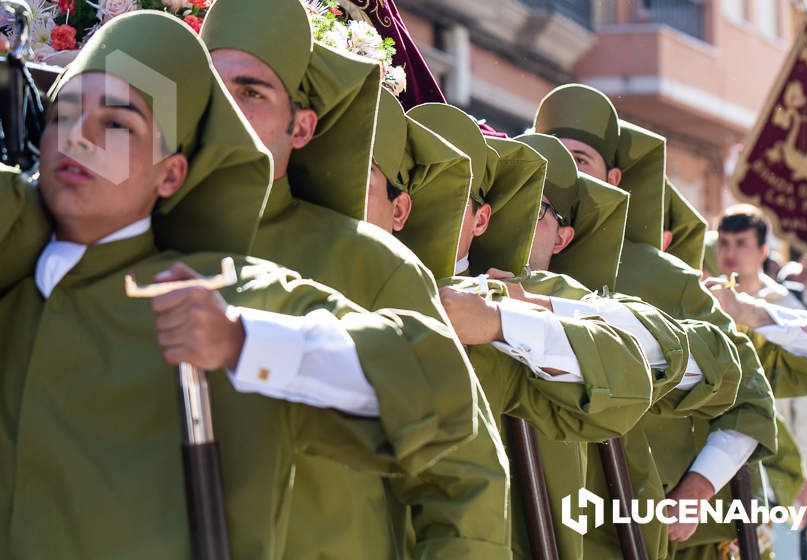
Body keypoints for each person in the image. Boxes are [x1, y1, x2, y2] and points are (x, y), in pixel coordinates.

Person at [0, 11, 479, 558]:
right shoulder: (15, 277)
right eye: (63, 115)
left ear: (172, 172)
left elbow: (440, 396)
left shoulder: (234, 294)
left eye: (117, 125)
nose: (79, 136)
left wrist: (243, 343)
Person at [199, 1, 497, 557]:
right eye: (212, 88)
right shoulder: (136, 243)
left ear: (303, 125)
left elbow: (464, 476)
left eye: (252, 92)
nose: (227, 111)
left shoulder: (371, 265)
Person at [406, 101, 691, 559]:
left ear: (484, 220)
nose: (425, 209)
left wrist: (509, 320)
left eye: (451, 193)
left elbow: (659, 352)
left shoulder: (521, 290)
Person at [532, 83, 778, 560]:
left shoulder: (667, 277)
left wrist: (698, 489)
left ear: (616, 176)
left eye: (580, 161)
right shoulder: (501, 264)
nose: (563, 174)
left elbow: (748, 395)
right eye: (550, 160)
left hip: (663, 533)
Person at [715, 204, 807, 557]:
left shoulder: (784, 308)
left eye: (741, 243)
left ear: (763, 250)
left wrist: (804, 472)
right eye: (724, 242)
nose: (730, 253)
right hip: (723, 461)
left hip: (779, 466)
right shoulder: (710, 303)